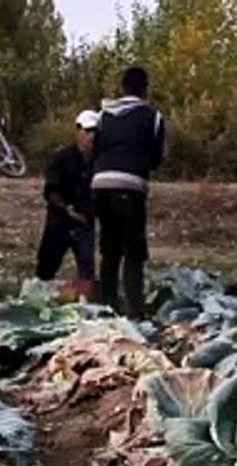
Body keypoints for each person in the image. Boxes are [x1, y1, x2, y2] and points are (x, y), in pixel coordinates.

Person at [91, 66, 165, 318]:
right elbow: (156, 157)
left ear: (122, 88)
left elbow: (96, 147)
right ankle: (135, 309)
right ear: (145, 89)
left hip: (100, 183)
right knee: (133, 250)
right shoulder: (152, 116)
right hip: (130, 186)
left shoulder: (104, 114)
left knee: (110, 249)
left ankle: (108, 306)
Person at [35, 110, 98, 299]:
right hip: (60, 220)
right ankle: (39, 299)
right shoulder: (62, 157)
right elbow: (50, 190)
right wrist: (66, 209)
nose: (91, 136)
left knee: (86, 269)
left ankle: (84, 304)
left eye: (95, 132)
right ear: (78, 131)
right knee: (47, 266)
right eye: (87, 131)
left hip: (84, 221)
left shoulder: (99, 161)